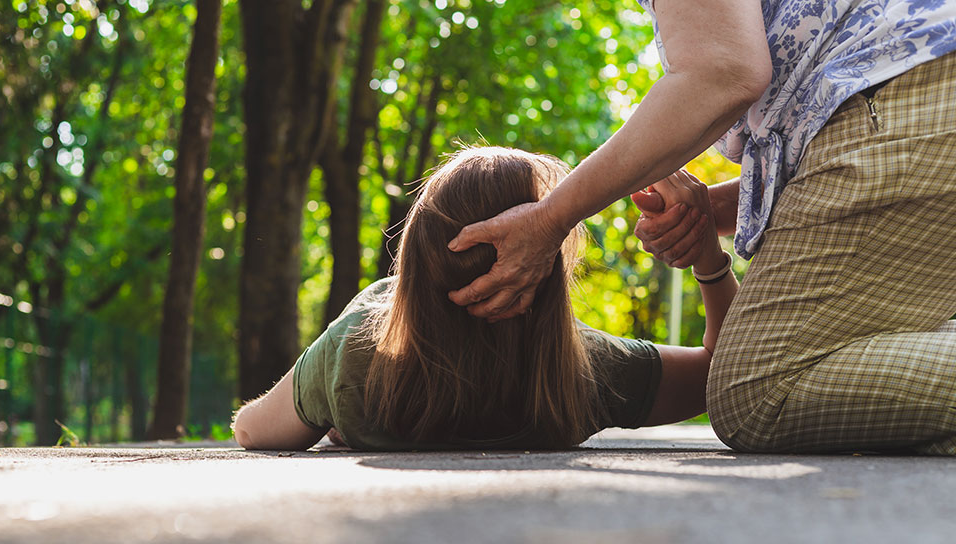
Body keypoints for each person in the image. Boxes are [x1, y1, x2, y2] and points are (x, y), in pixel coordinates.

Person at [445, 1, 956, 454]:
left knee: (755, 395)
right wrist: (706, 218)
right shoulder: (586, 369)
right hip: (919, 84)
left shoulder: (367, 357)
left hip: (910, 91)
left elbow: (723, 71)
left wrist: (551, 217)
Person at [231, 147, 736, 450]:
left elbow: (252, 431)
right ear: (545, 271)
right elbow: (725, 373)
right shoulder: (584, 371)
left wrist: (337, 394)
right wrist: (709, 260)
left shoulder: (357, 354)